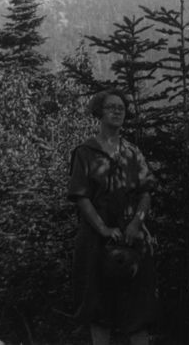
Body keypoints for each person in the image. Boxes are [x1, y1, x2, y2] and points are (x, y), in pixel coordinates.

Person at [67, 89, 158, 345]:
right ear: (99, 112)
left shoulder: (133, 153)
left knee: (139, 307)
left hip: (132, 237)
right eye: (112, 107)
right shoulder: (85, 152)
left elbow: (146, 193)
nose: (118, 111)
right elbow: (81, 197)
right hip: (95, 239)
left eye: (121, 107)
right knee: (98, 308)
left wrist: (135, 224)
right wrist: (103, 229)